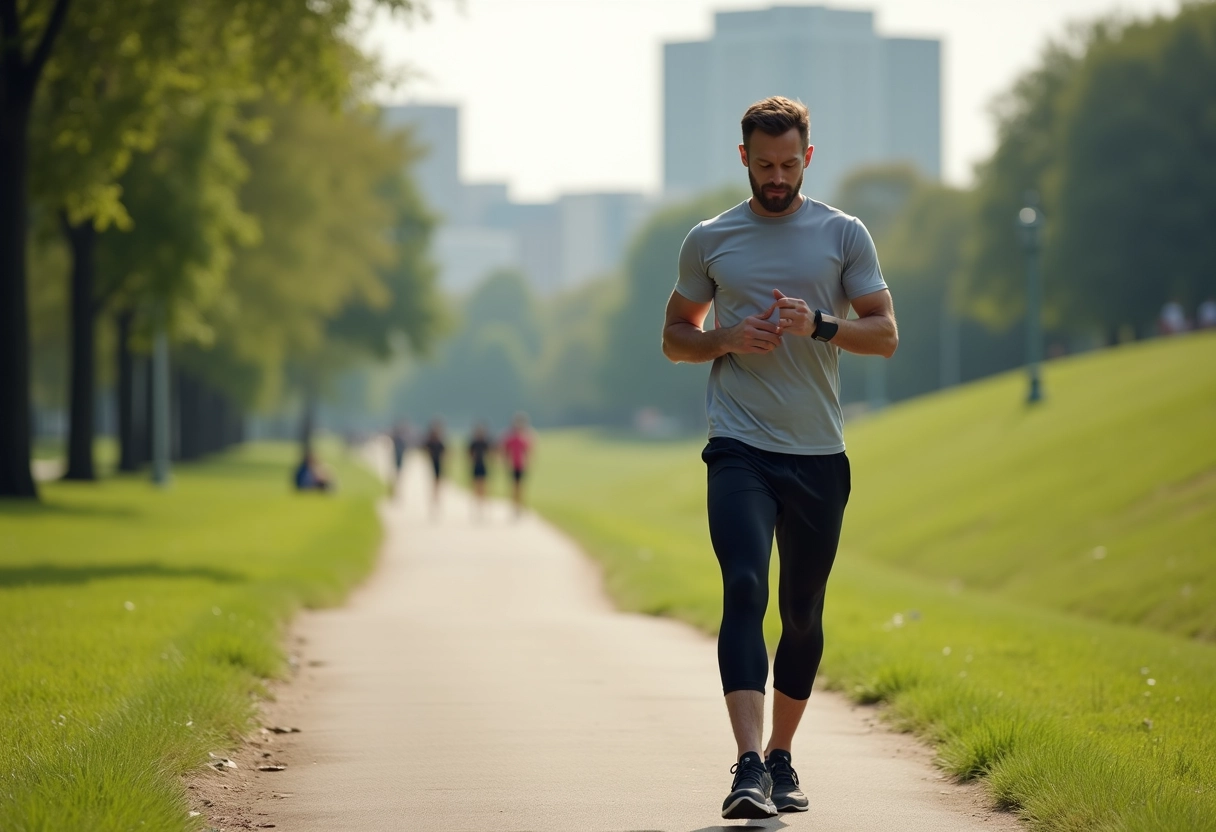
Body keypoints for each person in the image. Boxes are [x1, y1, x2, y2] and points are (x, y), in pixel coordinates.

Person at [660, 96, 897, 820]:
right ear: (744, 159)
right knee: (743, 587)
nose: (776, 177)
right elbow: (675, 335)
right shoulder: (709, 240)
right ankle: (748, 765)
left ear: (807, 158)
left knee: (801, 613)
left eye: (789, 164)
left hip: (818, 452)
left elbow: (883, 333)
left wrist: (821, 324)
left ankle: (784, 757)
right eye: (764, 165)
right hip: (738, 444)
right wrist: (724, 340)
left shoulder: (843, 233)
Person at [499, 413, 533, 516]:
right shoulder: (510, 437)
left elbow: (529, 451)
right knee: (514, 487)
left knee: (521, 487)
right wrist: (505, 462)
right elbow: (504, 450)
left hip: (521, 465)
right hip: (512, 465)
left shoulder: (525, 436)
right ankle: (514, 507)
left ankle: (520, 507)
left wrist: (528, 462)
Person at [467, 422, 494, 517]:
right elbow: (469, 454)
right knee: (475, 487)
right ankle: (476, 506)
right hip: (476, 466)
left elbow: (490, 453)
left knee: (484, 487)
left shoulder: (485, 442)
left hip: (483, 466)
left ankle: (483, 506)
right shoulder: (473, 443)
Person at [423, 420, 446, 512]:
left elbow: (445, 453)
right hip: (432, 464)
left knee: (437, 483)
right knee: (433, 482)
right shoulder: (430, 441)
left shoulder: (440, 442)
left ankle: (436, 498)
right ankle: (433, 499)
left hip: (438, 464)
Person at [389, 421, 411, 498]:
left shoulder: (399, 439)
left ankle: (396, 491)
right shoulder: (398, 439)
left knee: (397, 476)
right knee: (396, 476)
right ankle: (394, 491)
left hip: (398, 460)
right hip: (396, 460)